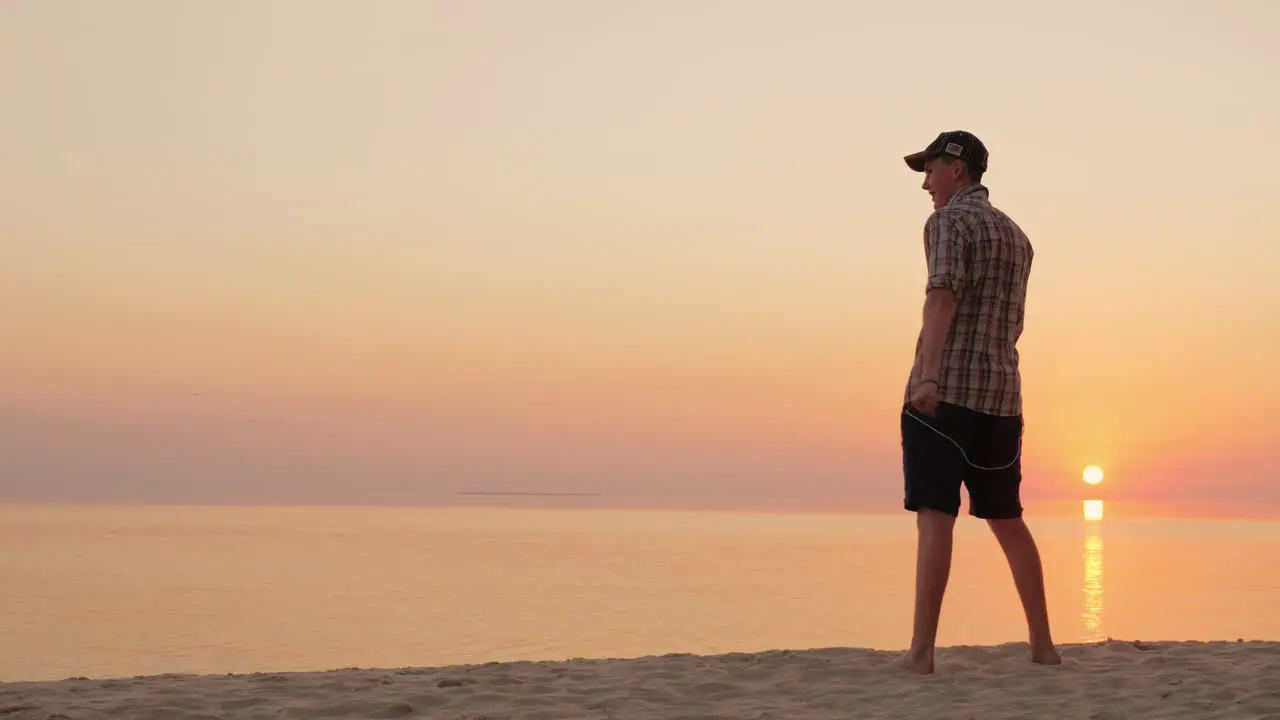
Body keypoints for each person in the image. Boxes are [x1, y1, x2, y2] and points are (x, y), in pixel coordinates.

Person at [897, 130, 1062, 674]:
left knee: (935, 518)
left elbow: (941, 294)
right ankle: (1043, 645)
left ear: (958, 170)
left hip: (946, 396)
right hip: (1002, 397)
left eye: (931, 169)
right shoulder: (1017, 235)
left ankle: (921, 656)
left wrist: (927, 376)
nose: (926, 182)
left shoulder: (949, 221)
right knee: (1008, 519)